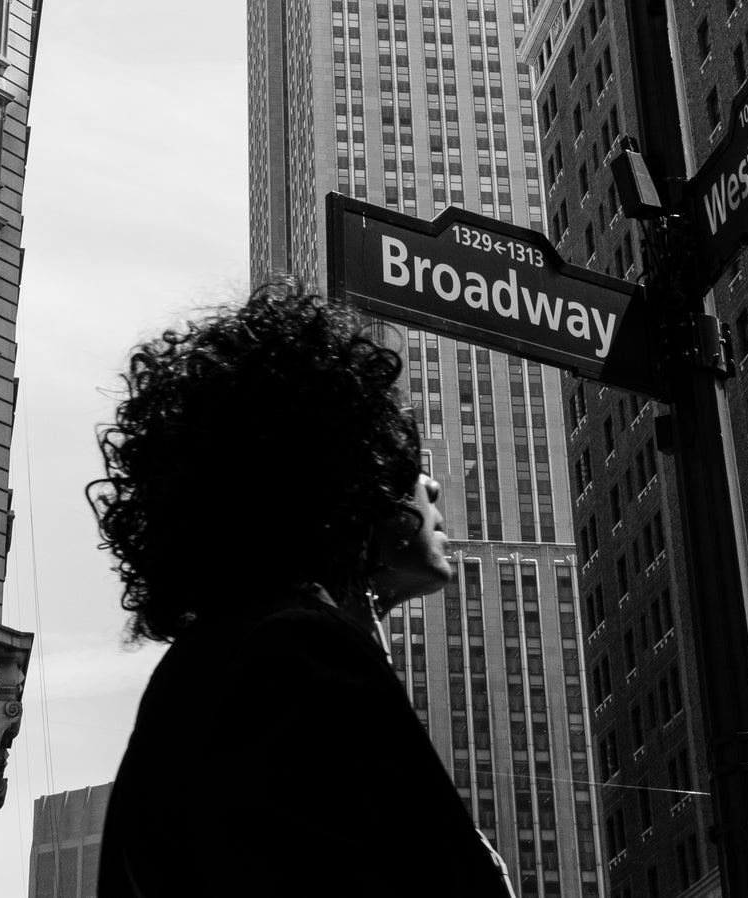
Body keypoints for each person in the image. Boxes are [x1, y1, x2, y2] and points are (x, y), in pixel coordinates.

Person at [89, 280, 515, 896]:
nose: (432, 487)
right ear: (345, 480)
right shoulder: (298, 653)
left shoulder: (217, 661)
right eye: (402, 458)